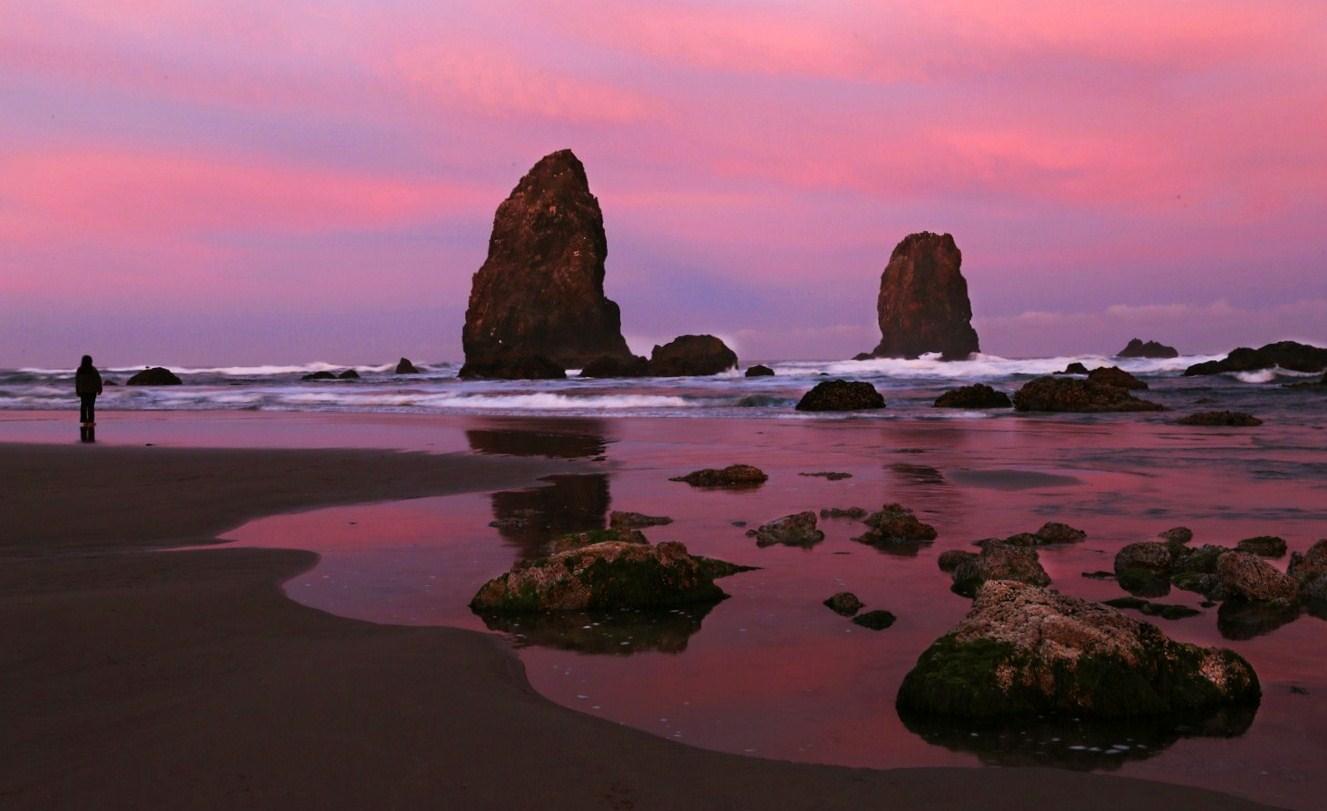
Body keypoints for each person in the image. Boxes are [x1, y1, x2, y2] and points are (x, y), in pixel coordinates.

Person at [74, 355, 103, 443]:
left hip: (84, 390)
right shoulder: (93, 370)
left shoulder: (80, 370)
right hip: (91, 391)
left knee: (84, 405)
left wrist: (77, 390)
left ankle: (83, 420)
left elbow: (77, 381)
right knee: (90, 406)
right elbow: (98, 380)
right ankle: (90, 421)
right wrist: (99, 388)